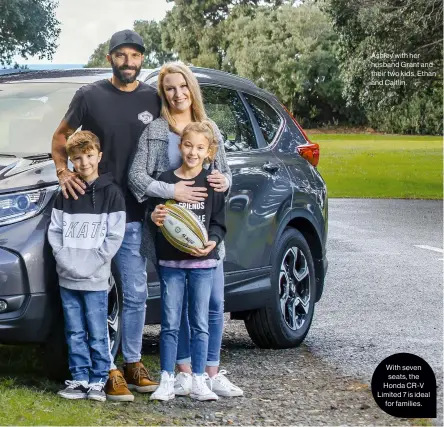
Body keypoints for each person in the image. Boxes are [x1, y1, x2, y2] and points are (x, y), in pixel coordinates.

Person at [51, 29, 160, 402]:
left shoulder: (152, 97)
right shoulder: (90, 95)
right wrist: (63, 171)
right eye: (121, 55)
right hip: (92, 212)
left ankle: (132, 361)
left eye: (135, 56)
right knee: (97, 293)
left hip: (134, 212)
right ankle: (105, 371)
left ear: (142, 59)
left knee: (134, 291)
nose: (128, 62)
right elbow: (61, 136)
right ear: (110, 56)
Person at [128, 62, 243, 397]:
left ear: (191, 88)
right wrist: (171, 192)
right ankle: (181, 372)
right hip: (171, 232)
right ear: (163, 93)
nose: (177, 94)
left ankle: (210, 372)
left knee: (213, 302)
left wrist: (226, 180)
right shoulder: (156, 131)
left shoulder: (210, 130)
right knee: (175, 307)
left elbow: (223, 177)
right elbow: (138, 177)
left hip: (205, 232)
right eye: (169, 88)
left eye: (182, 86)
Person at [148, 121, 226, 401]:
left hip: (204, 265)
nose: (193, 152)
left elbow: (219, 223)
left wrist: (212, 242)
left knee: (200, 322)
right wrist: (154, 217)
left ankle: (199, 380)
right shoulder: (167, 181)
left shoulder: (213, 182)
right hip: (171, 264)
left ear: (209, 152)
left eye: (200, 148)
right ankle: (167, 379)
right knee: (169, 322)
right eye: (188, 145)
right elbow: (156, 215)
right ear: (180, 146)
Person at [48, 131, 125, 402]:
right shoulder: (64, 195)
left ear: (99, 156)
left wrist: (94, 262)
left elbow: (115, 236)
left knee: (97, 329)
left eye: (89, 156)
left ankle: (98, 379)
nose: (84, 163)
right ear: (70, 161)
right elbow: (55, 232)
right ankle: (79, 378)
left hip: (95, 276)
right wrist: (64, 259)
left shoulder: (112, 194)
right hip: (68, 276)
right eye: (77, 158)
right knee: (74, 330)